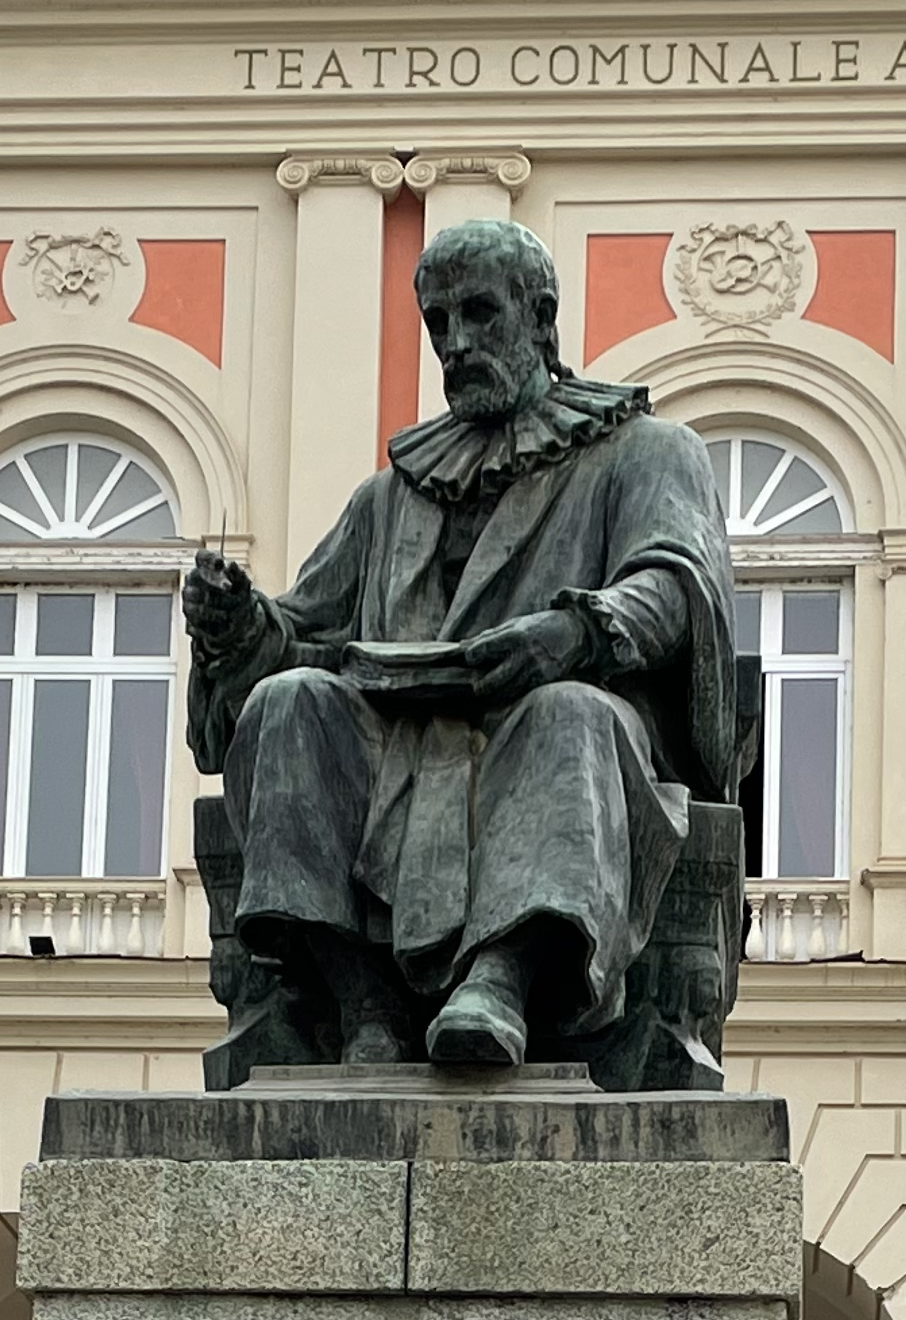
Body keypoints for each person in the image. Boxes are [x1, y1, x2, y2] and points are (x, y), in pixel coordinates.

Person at [181, 218, 739, 1068]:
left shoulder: (646, 452)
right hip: (400, 747)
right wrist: (239, 628)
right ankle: (361, 997)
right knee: (290, 703)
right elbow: (302, 632)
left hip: (553, 728)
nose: (456, 342)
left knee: (566, 715)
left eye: (479, 314)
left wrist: (573, 631)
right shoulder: (391, 495)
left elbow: (674, 584)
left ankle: (503, 978)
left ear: (542, 318)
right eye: (438, 323)